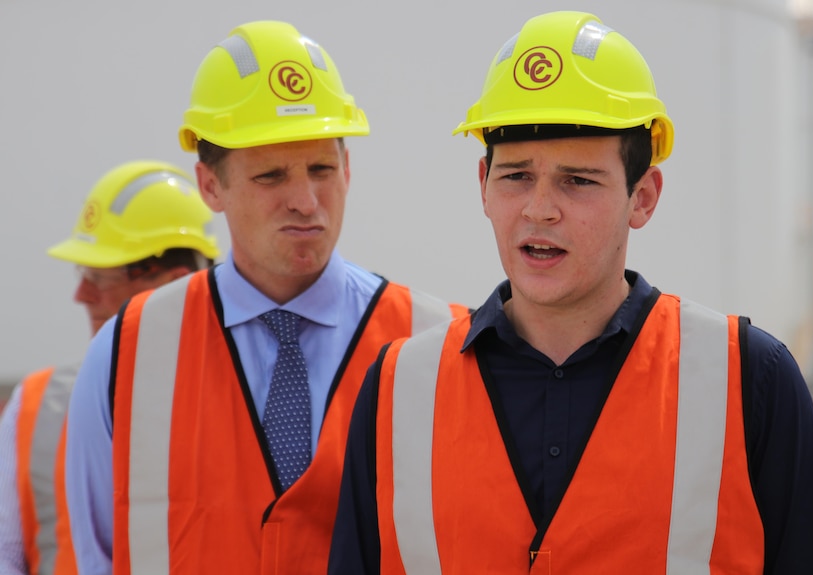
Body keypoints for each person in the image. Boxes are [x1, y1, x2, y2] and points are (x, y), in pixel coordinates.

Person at [328, 11, 813, 574]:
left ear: (644, 197)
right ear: (482, 185)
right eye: (516, 176)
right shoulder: (398, 389)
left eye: (578, 181)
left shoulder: (750, 380)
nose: (539, 209)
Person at [64, 19, 469, 575]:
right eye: (271, 176)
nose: (305, 200)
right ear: (210, 186)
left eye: (322, 168)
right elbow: (94, 558)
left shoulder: (443, 343)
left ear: (348, 169)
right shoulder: (124, 356)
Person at [0, 160, 219, 575]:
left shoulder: (250, 400)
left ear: (171, 284)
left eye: (100, 277)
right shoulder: (34, 406)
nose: (81, 294)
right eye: (83, 273)